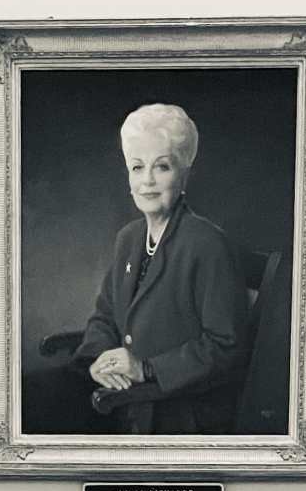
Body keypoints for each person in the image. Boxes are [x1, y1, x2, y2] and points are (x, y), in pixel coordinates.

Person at [72, 103, 249, 433]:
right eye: (137, 168)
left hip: (182, 415)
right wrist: (100, 360)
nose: (147, 181)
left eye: (162, 167)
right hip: (125, 403)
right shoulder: (128, 238)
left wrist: (147, 368)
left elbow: (227, 348)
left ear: (183, 173)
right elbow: (105, 317)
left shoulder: (207, 243)